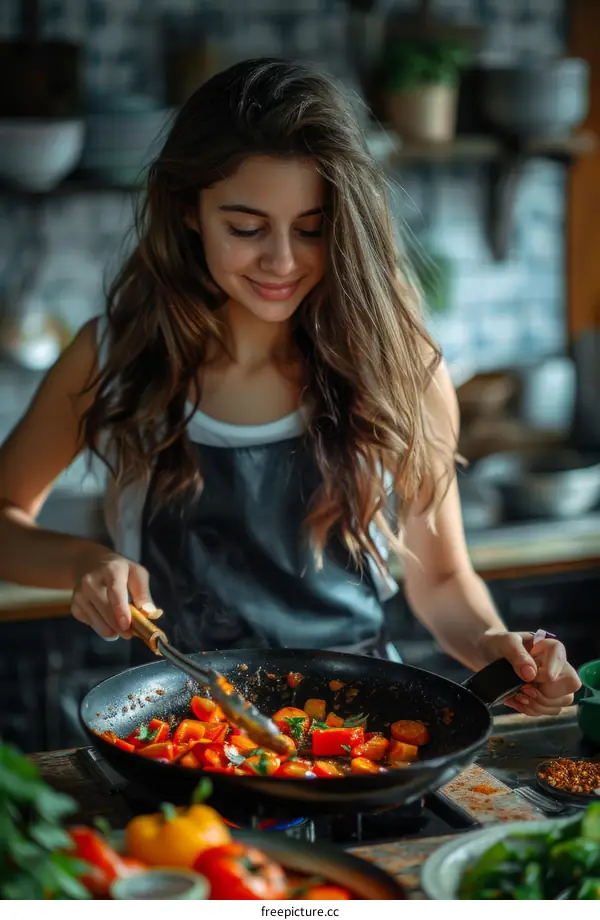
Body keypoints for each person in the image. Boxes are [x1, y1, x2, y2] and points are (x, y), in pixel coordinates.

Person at [0, 59, 579, 716]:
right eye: (245, 228)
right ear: (189, 210)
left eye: (312, 228)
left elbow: (442, 579)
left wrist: (504, 651)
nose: (281, 261)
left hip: (361, 733)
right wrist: (81, 564)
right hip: (180, 736)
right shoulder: (112, 354)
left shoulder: (399, 362)